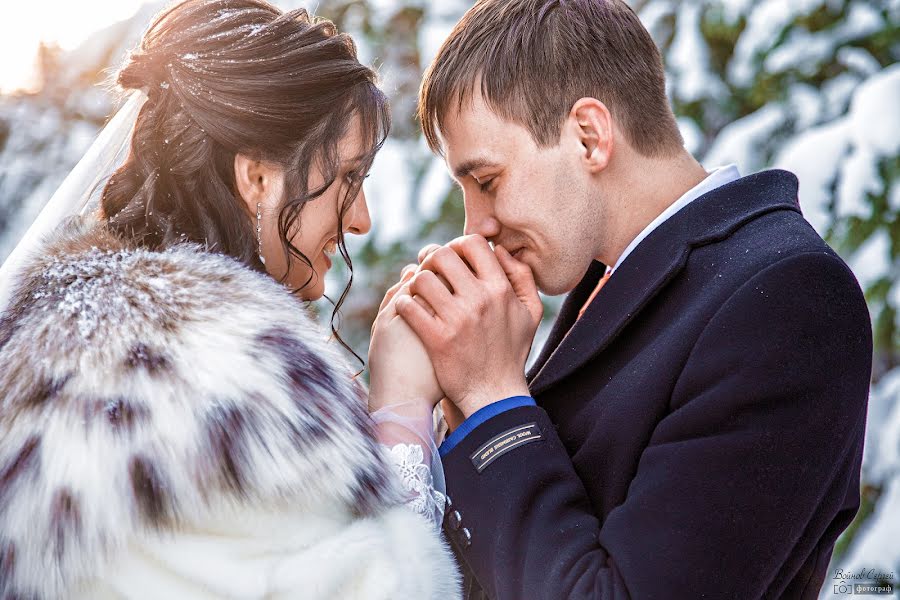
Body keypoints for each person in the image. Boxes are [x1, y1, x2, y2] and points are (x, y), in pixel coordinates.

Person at [375, 0, 874, 598]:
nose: (474, 224)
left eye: (487, 182)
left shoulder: (787, 301)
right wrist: (443, 404)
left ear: (589, 137)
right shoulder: (606, 282)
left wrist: (490, 399)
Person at [0, 1, 459, 598]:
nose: (363, 219)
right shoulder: (229, 388)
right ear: (258, 179)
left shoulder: (49, 354)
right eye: (347, 179)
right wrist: (401, 417)